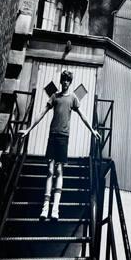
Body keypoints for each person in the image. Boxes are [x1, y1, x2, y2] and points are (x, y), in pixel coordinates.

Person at [20, 70, 100, 220]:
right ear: (61, 81)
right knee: (50, 170)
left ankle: (55, 208)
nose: (65, 82)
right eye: (63, 80)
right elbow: (42, 113)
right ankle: (45, 208)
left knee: (59, 170)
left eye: (67, 80)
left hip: (63, 138)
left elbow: (83, 116)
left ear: (70, 82)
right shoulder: (54, 97)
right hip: (52, 136)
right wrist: (28, 129)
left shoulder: (73, 98)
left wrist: (92, 130)